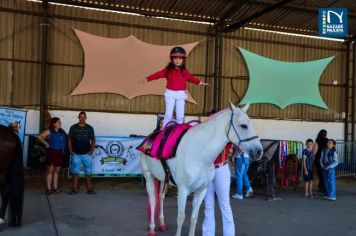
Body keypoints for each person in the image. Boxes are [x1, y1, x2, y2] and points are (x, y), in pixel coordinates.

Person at [141, 46, 209, 128]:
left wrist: (200, 83)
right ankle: (164, 132)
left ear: (183, 60)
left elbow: (191, 78)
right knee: (168, 115)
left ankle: (178, 132)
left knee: (180, 116)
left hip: (181, 95)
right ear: (172, 59)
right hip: (170, 94)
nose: (177, 60)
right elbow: (158, 74)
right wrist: (147, 79)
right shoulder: (168, 70)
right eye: (175, 58)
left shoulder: (184, 71)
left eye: (180, 58)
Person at [202, 143, 235, 236]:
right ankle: (208, 234)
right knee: (208, 205)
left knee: (225, 205)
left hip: (221, 168)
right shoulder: (205, 130)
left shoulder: (226, 130)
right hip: (206, 169)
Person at [68, 111, 96, 194]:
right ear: (78, 117)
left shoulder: (90, 128)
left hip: (87, 154)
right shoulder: (73, 127)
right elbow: (69, 140)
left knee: (88, 172)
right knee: (75, 172)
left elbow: (93, 140)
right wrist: (70, 150)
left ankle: (89, 189)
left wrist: (92, 150)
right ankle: (74, 189)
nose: (82, 118)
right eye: (81, 117)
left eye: (84, 117)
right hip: (76, 153)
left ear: (86, 118)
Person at [37, 118, 67, 195]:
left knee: (57, 172)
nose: (60, 123)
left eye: (60, 122)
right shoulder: (49, 131)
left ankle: (55, 188)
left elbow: (66, 139)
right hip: (52, 152)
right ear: (54, 124)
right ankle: (49, 189)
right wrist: (46, 144)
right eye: (59, 122)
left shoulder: (62, 131)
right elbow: (39, 137)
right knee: (50, 171)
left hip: (60, 152)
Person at [313, 129, 328, 194]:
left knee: (320, 174)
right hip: (325, 159)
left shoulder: (317, 140)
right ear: (325, 134)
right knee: (324, 173)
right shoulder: (327, 140)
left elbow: (315, 149)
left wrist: (313, 156)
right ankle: (324, 187)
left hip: (318, 159)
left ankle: (321, 187)